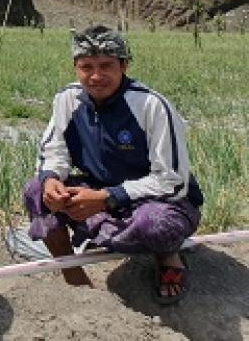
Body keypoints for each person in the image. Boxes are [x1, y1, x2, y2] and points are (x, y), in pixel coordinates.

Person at [23, 25, 202, 304]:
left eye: (106, 65)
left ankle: (168, 257)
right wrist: (52, 178)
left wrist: (107, 198)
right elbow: (54, 150)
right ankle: (73, 273)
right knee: (37, 190)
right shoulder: (67, 100)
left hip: (158, 201)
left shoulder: (151, 106)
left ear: (124, 65)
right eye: (86, 67)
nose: (96, 76)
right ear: (75, 67)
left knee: (154, 225)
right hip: (99, 191)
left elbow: (172, 180)